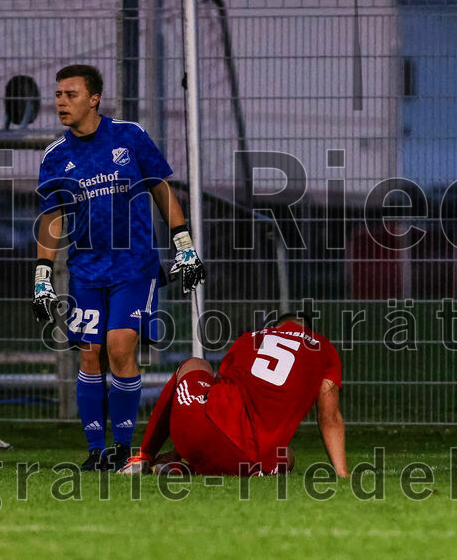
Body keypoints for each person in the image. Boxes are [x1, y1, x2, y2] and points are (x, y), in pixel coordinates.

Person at [32, 64, 206, 471]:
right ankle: (96, 452)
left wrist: (184, 246)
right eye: (58, 95)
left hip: (134, 267)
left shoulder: (129, 136)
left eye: (70, 94)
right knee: (90, 354)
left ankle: (126, 448)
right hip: (86, 270)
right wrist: (42, 276)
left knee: (120, 347)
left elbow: (161, 188)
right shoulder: (56, 156)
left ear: (94, 98)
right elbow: (52, 218)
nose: (61, 102)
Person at [119, 313, 348, 477]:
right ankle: (190, 467)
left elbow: (216, 393)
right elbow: (330, 418)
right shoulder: (324, 348)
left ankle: (145, 455)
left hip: (201, 428)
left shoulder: (250, 337)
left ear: (274, 328)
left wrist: (182, 448)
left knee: (194, 363)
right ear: (309, 331)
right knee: (286, 456)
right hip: (246, 460)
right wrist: (342, 474)